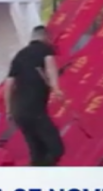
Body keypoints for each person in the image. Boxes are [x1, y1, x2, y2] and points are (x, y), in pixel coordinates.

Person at [5, 25, 65, 166]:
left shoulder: (19, 55)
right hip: (35, 109)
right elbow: (50, 67)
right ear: (45, 37)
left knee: (37, 150)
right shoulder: (45, 50)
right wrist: (56, 87)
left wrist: (8, 110)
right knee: (57, 148)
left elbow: (8, 85)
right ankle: (44, 171)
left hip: (18, 111)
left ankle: (37, 171)